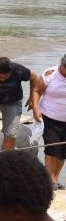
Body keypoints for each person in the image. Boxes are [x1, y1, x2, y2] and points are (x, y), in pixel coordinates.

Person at [32, 54, 66, 188]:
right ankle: (49, 178)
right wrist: (35, 109)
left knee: (63, 151)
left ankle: (55, 178)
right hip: (50, 117)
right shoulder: (50, 74)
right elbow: (36, 90)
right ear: (61, 65)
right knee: (52, 148)